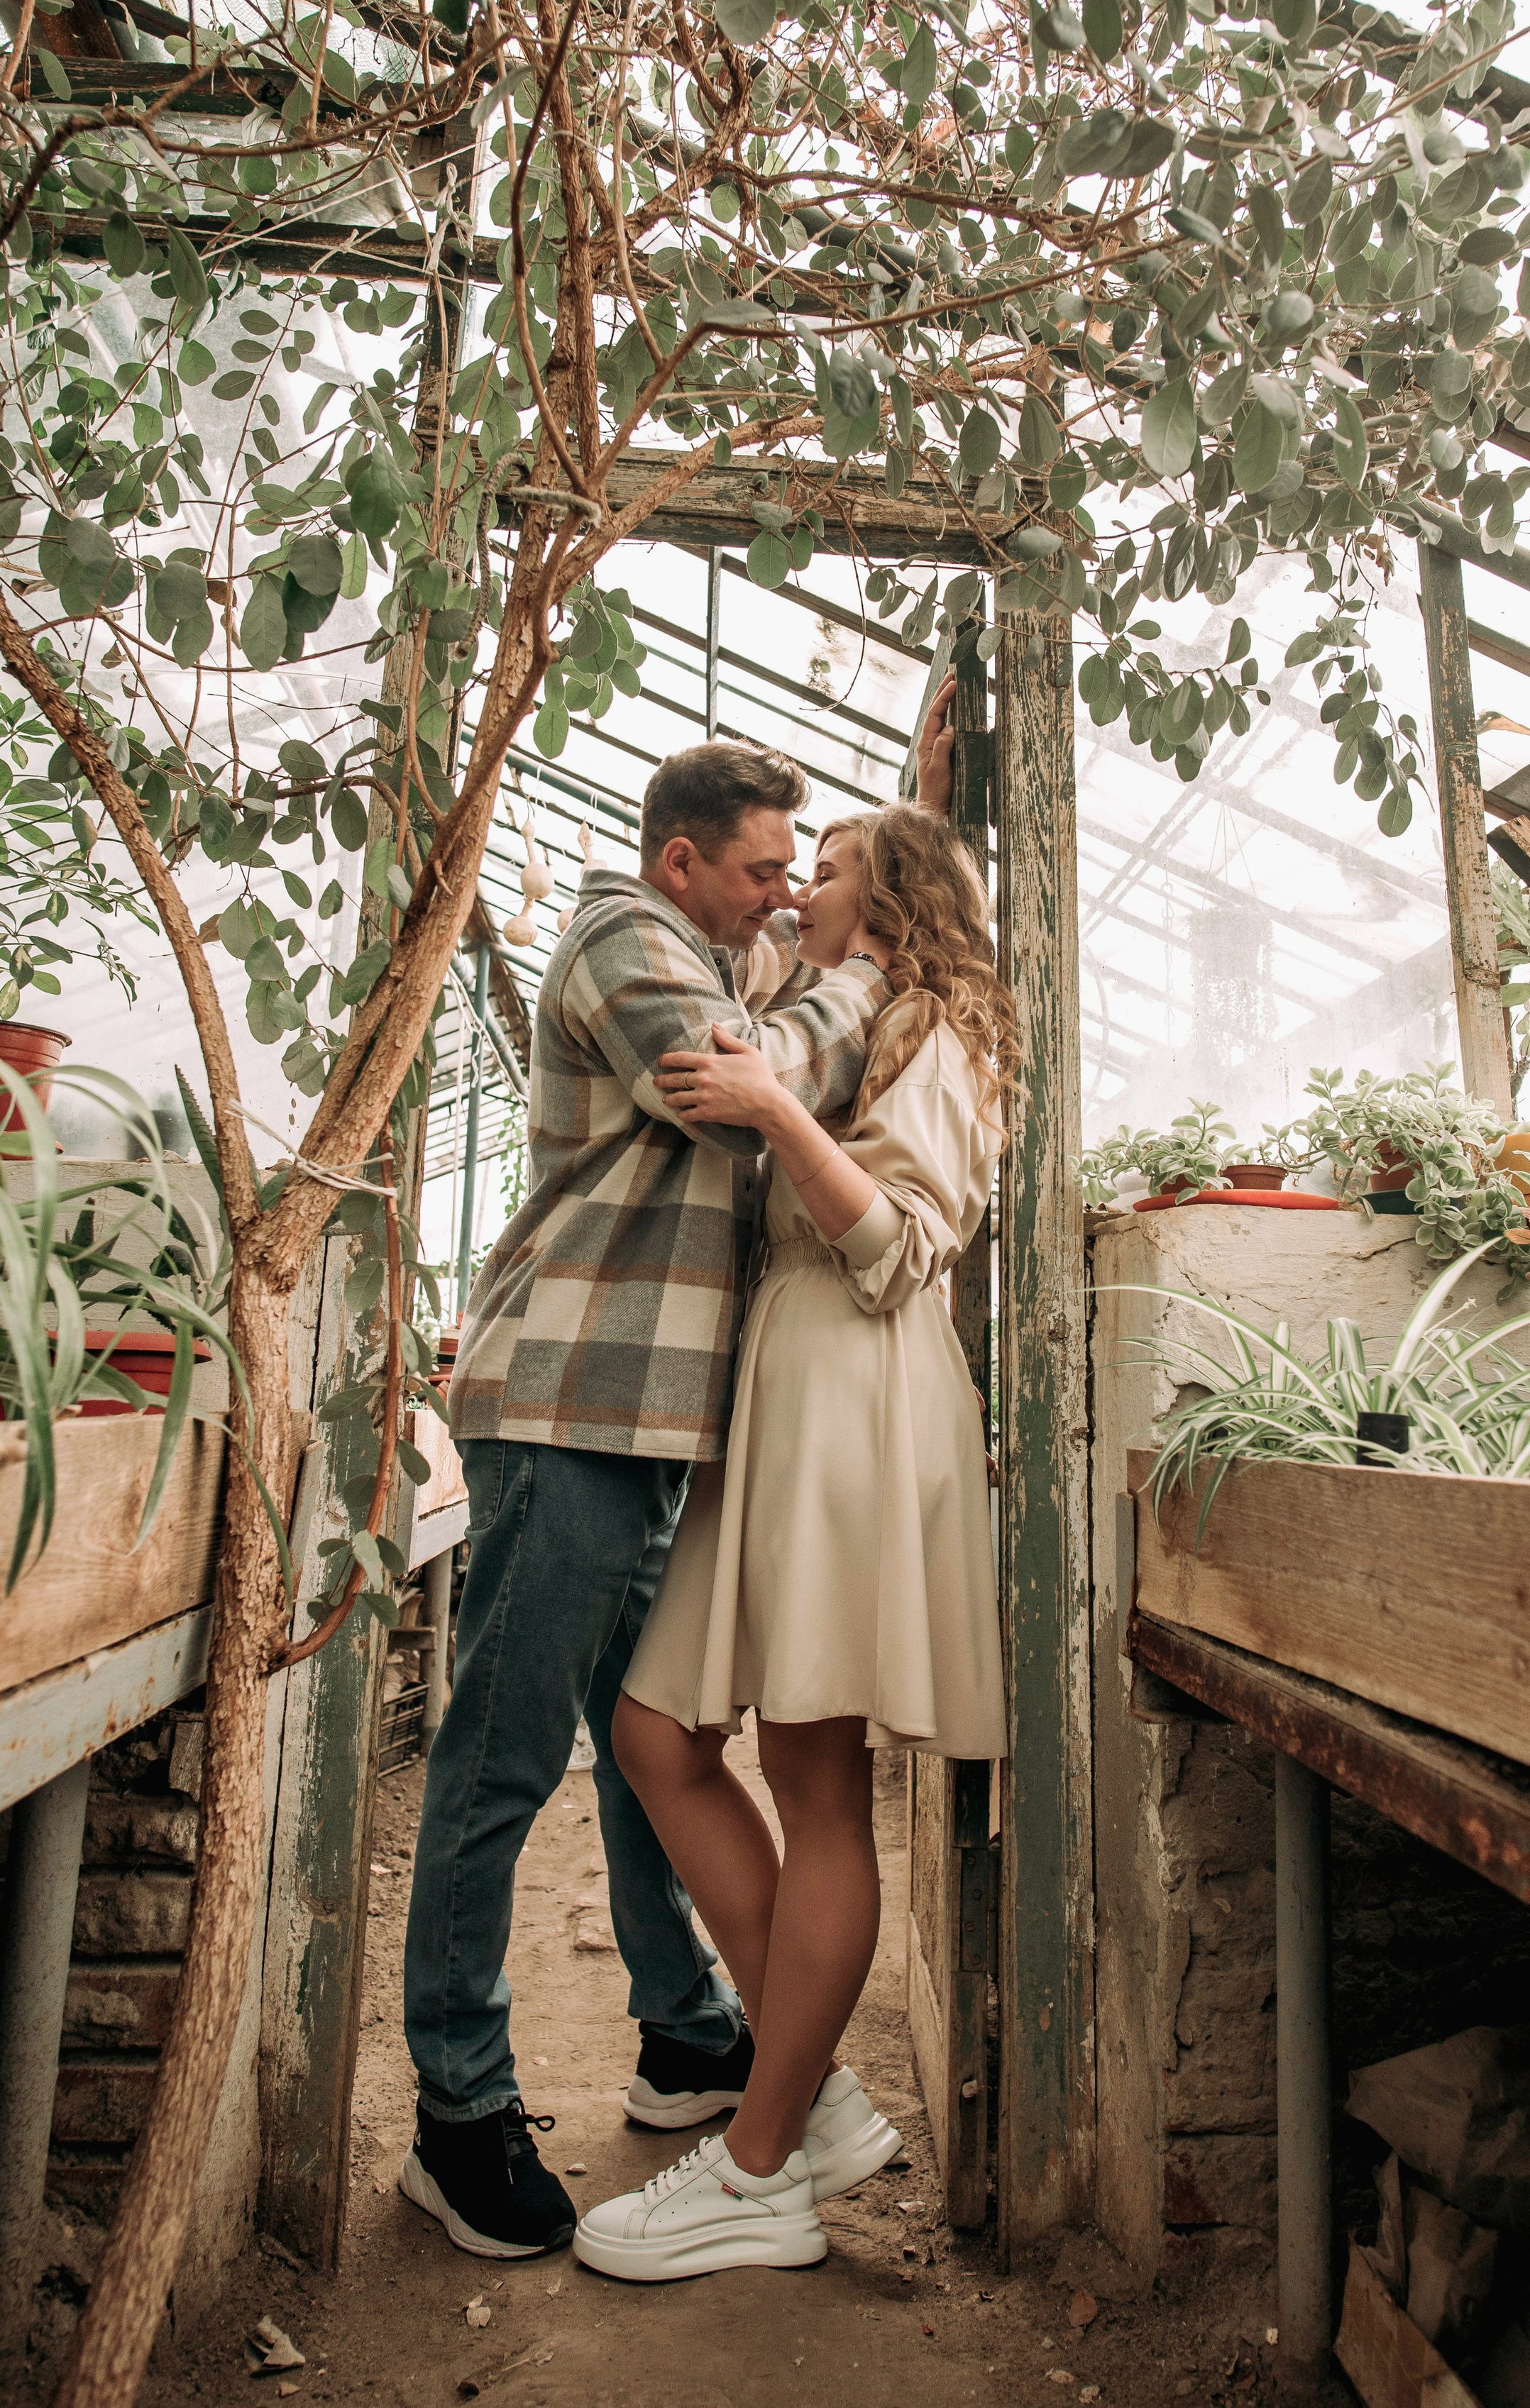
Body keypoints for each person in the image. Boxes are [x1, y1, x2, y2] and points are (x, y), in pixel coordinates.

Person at [399, 707, 956, 2264]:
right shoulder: (618, 939)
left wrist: (914, 825)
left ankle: (687, 2031)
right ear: (680, 860)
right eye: (770, 869)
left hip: (664, 1431)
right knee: (501, 1763)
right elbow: (739, 1072)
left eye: (807, 871)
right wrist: (872, 956)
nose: (788, 895)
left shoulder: (723, 948)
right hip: (571, 1405)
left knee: (650, 1746)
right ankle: (457, 2113)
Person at [569, 800, 1012, 2284]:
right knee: (655, 1733)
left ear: (883, 906)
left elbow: (904, 1248)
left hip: (855, 1396)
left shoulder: (939, 1030)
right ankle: (802, 2102)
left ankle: (758, 2169)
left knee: (819, 1784)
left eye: (816, 876)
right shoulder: (852, 1017)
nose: (792, 897)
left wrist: (773, 1114)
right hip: (790, 1389)